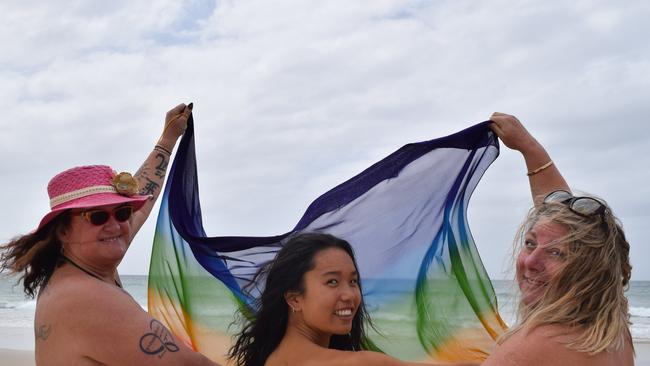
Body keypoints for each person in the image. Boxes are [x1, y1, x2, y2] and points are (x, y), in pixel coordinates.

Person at [0, 103, 219, 365]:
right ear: (63, 230)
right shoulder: (86, 299)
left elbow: (143, 202)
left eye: (123, 212)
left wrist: (167, 141)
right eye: (98, 216)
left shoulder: (78, 268)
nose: (116, 225)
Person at [482, 113, 634, 366]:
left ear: (590, 271)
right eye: (530, 243)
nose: (530, 261)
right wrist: (529, 149)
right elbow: (559, 222)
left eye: (556, 253)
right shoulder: (612, 330)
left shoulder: (533, 346)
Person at [228, 232, 478, 366]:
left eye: (354, 281)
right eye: (332, 282)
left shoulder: (272, 358)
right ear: (294, 299)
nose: (350, 295)